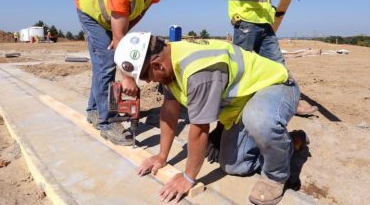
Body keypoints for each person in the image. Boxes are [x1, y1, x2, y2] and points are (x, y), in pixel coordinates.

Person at [114, 32, 300, 204]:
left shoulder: (198, 72)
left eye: (146, 76)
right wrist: (161, 157)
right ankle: (285, 143)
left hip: (274, 85)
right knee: (234, 167)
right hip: (243, 101)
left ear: (156, 65)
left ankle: (277, 174)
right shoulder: (168, 64)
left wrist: (188, 178)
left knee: (259, 121)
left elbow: (200, 129)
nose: (148, 81)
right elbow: (169, 113)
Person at [75, 0, 189, 146]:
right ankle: (107, 122)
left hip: (113, 12)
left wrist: (123, 34)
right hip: (89, 6)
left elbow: (139, 11)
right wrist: (127, 77)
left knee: (101, 62)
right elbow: (119, 39)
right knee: (107, 60)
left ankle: (94, 110)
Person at [228, 0, 317, 116]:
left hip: (264, 24)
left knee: (279, 66)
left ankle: (291, 103)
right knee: (241, 69)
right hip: (246, 23)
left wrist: (274, 6)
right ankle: (233, 109)